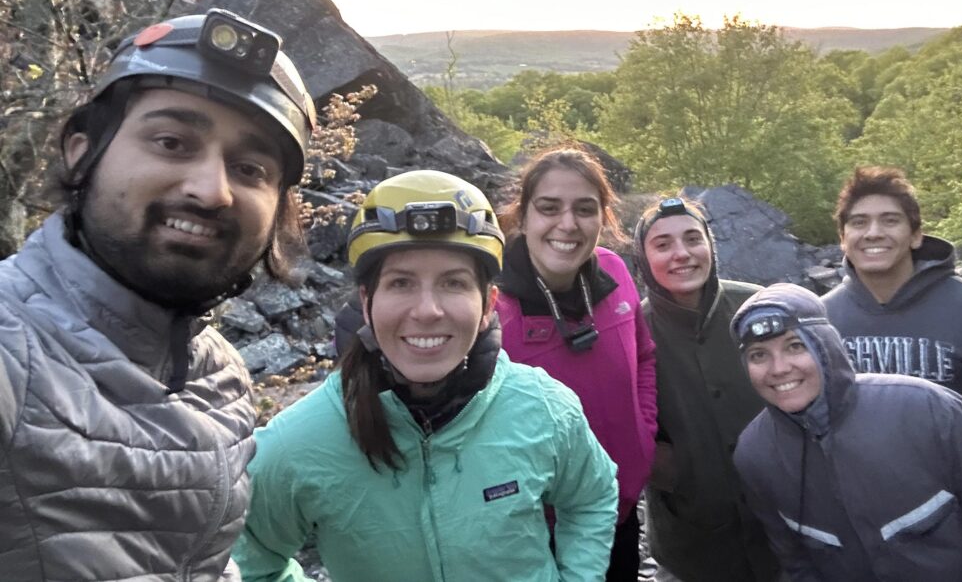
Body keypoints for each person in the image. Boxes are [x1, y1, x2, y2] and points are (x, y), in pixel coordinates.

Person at [0, 9, 316, 580]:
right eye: (172, 142)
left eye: (250, 168)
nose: (212, 189)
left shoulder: (220, 376)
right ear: (81, 150)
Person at [232, 170, 619, 581]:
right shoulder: (299, 441)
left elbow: (592, 496)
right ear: (367, 302)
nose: (428, 310)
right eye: (401, 283)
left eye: (453, 283)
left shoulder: (544, 407)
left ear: (488, 304)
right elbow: (252, 559)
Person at [731, 283, 962, 582]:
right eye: (758, 355)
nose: (778, 368)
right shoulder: (755, 454)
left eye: (796, 346)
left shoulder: (931, 411)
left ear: (827, 346)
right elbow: (796, 565)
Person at [494, 146, 657, 582]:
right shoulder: (491, 309)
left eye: (585, 209)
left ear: (603, 219)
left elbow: (643, 356)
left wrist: (643, 434)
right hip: (530, 533)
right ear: (522, 216)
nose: (568, 224)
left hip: (617, 511)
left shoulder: (614, 272)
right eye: (549, 208)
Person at [822, 165, 962, 469]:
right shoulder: (821, 318)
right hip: (856, 502)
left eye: (890, 221)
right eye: (859, 222)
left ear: (916, 235)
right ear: (842, 238)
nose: (873, 232)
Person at [633, 197, 779, 582]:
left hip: (784, 532)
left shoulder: (756, 305)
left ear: (711, 246)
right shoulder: (631, 332)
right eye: (663, 245)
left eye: (693, 239)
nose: (682, 254)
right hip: (692, 545)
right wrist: (666, 468)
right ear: (644, 259)